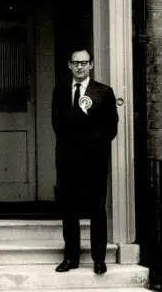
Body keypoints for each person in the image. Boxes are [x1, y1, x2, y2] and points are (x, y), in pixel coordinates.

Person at [52, 48, 118, 275]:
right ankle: (71, 259)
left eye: (84, 62)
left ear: (91, 65)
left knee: (97, 210)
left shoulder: (103, 92)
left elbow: (111, 128)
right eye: (75, 63)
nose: (79, 67)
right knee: (69, 211)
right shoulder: (60, 90)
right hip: (67, 161)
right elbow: (57, 124)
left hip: (94, 162)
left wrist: (89, 145)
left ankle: (99, 259)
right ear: (70, 65)